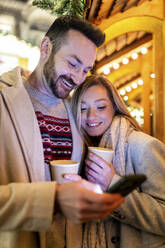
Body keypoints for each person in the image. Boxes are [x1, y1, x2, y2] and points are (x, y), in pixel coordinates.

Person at [0, 16, 124, 248]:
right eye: (73, 64)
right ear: (46, 47)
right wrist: (52, 199)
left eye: (86, 69)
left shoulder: (78, 110)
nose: (77, 78)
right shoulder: (3, 100)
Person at [71, 74, 165, 248]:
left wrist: (114, 185)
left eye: (100, 107)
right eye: (83, 109)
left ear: (114, 107)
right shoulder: (82, 150)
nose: (91, 116)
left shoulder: (142, 145)